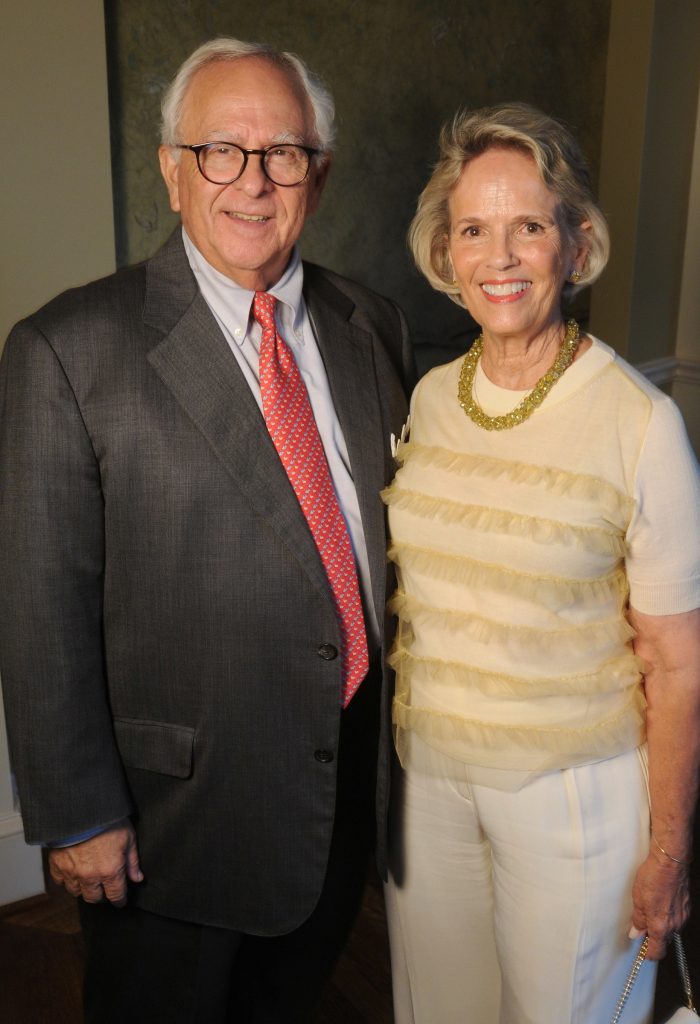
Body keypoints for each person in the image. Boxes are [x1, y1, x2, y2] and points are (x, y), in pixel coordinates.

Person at [0, 37, 413, 1023]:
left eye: (282, 152)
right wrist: (80, 811)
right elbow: (38, 599)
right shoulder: (69, 347)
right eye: (220, 150)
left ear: (318, 171)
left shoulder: (371, 323)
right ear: (171, 171)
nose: (253, 181)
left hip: (340, 795)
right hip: (169, 826)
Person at [382, 102, 700, 1023]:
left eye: (529, 225)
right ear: (446, 251)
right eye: (474, 229)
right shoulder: (432, 397)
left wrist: (671, 851)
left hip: (573, 797)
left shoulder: (642, 424)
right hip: (429, 783)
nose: (502, 256)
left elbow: (679, 663)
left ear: (576, 240)